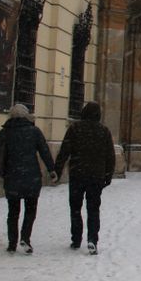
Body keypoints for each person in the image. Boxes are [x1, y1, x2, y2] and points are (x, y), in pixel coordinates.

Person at [0, 104, 56, 254]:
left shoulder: (6, 132)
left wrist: (8, 153)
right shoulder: (34, 132)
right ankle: (25, 238)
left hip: (12, 176)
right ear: (26, 116)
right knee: (30, 210)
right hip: (31, 177)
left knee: (13, 212)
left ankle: (12, 243)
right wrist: (52, 170)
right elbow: (44, 151)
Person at [55, 101, 116, 255]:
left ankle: (76, 238)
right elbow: (110, 156)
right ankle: (92, 240)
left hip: (77, 174)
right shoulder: (104, 131)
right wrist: (108, 175)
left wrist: (57, 169)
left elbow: (64, 151)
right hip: (96, 176)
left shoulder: (75, 128)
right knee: (93, 209)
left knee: (75, 207)